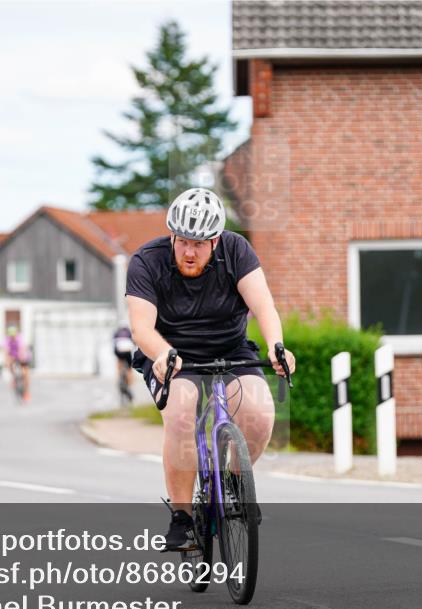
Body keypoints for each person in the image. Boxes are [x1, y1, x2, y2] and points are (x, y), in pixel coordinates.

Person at [125, 187, 296, 550]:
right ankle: (183, 518)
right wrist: (163, 354)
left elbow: (263, 306)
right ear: (172, 234)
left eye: (199, 244)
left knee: (261, 414)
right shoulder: (147, 260)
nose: (189, 252)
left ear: (216, 240)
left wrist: (277, 345)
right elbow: (141, 327)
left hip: (230, 349)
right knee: (182, 410)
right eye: (183, 241)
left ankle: (235, 483)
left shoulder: (237, 251)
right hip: (172, 354)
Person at [4, 326, 31, 402]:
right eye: (11, 336)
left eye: (13, 335)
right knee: (9, 362)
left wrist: (20, 357)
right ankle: (13, 378)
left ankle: (26, 392)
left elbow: (22, 349)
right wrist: (6, 361)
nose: (12, 337)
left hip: (23, 357)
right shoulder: (7, 339)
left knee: (26, 374)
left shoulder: (20, 338)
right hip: (13, 357)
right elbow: (5, 351)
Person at [112, 322, 134, 401]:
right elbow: (133, 342)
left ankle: (118, 378)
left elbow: (113, 342)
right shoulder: (129, 332)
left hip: (118, 351)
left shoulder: (116, 332)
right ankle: (130, 383)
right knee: (129, 368)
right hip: (127, 352)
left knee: (119, 363)